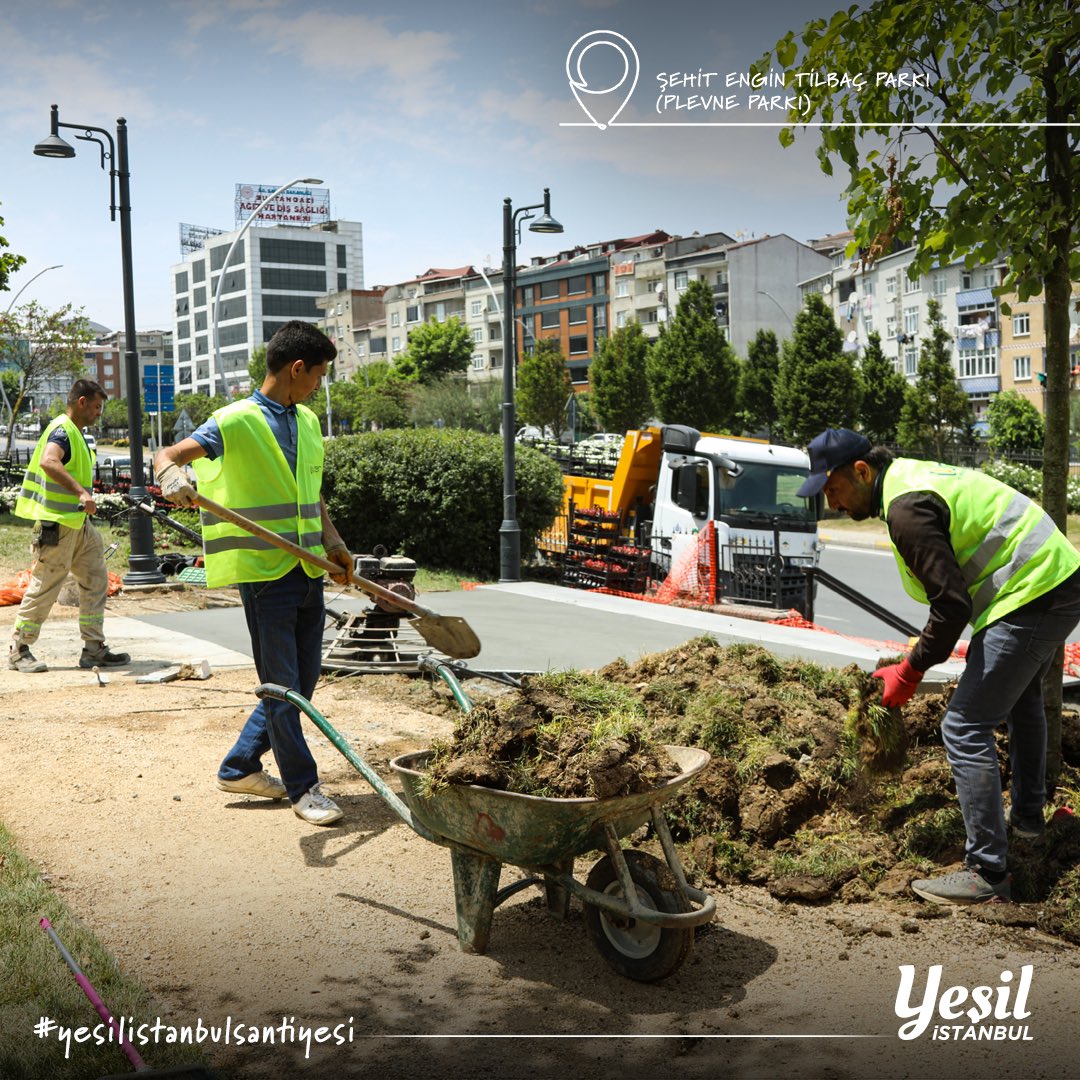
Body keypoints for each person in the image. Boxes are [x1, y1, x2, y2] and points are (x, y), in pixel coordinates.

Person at [797, 429, 1080, 905]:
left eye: (833, 489)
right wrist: (922, 649)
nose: (832, 503)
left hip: (1034, 592)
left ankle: (987, 872)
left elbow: (950, 607)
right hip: (1050, 578)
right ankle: (1028, 822)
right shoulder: (910, 480)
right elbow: (951, 597)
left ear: (861, 471)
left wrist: (910, 670)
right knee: (1023, 698)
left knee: (964, 725)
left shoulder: (905, 509)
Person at [153, 321, 353, 827]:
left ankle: (240, 765)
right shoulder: (235, 420)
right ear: (297, 368)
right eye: (319, 375)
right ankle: (304, 788)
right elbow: (169, 454)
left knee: (299, 688)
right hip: (265, 574)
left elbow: (311, 492)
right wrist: (171, 476)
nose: (318, 386)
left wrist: (334, 542)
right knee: (282, 686)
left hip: (308, 568)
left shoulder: (306, 421)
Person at [9, 379, 129, 674]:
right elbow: (50, 462)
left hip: (78, 525)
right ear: (82, 403)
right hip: (58, 524)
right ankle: (18, 649)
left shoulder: (75, 433)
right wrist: (80, 492)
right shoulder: (63, 430)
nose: (100, 413)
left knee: (96, 579)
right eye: (98, 406)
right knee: (45, 586)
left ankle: (93, 648)